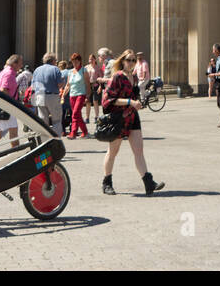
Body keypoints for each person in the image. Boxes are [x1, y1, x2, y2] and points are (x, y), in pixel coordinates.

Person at [99, 50, 164, 195]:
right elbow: (108, 100)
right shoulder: (117, 77)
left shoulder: (134, 77)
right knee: (113, 152)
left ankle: (148, 183)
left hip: (132, 117)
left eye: (134, 60)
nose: (132, 63)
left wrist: (138, 103)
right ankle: (107, 183)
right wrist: (130, 102)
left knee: (139, 151)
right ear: (122, 61)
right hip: (118, 118)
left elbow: (134, 96)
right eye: (129, 60)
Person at [31, 53, 65, 136]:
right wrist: (63, 81)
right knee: (56, 120)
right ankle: (56, 141)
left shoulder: (37, 70)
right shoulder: (55, 69)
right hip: (52, 96)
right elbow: (60, 85)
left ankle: (45, 141)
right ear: (53, 61)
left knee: (43, 121)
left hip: (40, 96)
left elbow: (33, 86)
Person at [63, 54, 90, 138]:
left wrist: (88, 96)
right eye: (73, 61)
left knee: (74, 114)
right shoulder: (70, 72)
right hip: (72, 95)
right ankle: (85, 132)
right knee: (77, 114)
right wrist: (63, 95)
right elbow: (68, 85)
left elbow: (87, 84)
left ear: (80, 61)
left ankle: (73, 133)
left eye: (76, 61)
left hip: (81, 95)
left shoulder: (84, 70)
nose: (74, 63)